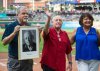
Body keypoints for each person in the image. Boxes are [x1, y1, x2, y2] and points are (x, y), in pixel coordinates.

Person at [2, 7, 33, 71]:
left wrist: (38, 33)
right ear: (17, 15)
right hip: (15, 61)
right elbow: (4, 42)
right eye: (23, 13)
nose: (26, 15)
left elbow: (34, 42)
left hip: (28, 60)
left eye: (27, 13)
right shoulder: (11, 26)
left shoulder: (30, 26)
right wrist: (14, 33)